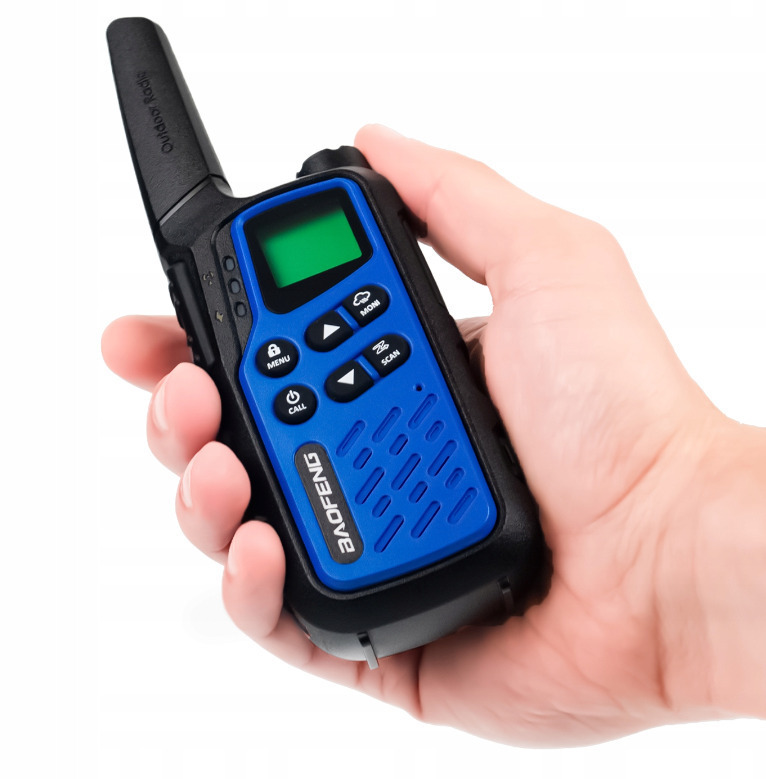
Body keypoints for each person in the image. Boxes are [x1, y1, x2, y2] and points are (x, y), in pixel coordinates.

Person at [101, 124, 766, 748]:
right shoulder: (338, 202)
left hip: (471, 559)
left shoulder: (339, 201)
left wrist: (658, 508)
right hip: (467, 561)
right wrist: (669, 537)